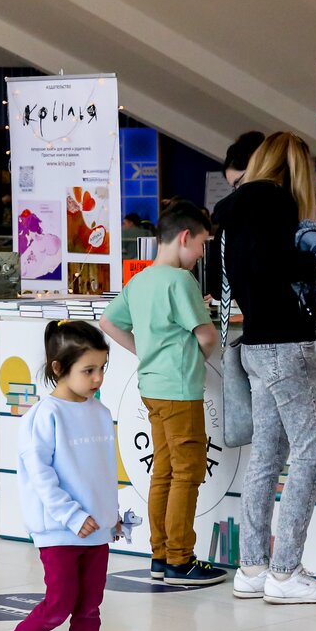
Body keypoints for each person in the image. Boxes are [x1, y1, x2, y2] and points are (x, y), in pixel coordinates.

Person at [212, 131, 316, 605]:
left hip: (254, 344)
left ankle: (252, 567)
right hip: (286, 345)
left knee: (266, 457)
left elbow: (233, 277)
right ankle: (285, 572)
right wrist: (312, 256)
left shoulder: (232, 212)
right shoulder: (278, 205)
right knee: (311, 455)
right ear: (296, 169)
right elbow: (280, 268)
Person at [101, 200, 226, 586]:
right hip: (180, 391)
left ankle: (161, 555)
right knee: (187, 473)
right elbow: (207, 337)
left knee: (164, 471)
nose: (202, 253)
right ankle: (180, 559)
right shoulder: (181, 282)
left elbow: (109, 321)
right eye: (202, 243)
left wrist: (146, 352)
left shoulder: (140, 280)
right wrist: (194, 357)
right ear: (185, 237)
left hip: (152, 388)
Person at [2, 320, 122, 631]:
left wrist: (111, 515)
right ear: (59, 368)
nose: (98, 378)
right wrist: (71, 516)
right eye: (89, 370)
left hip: (95, 531)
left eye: (102, 368)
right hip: (58, 530)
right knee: (60, 603)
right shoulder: (44, 415)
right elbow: (40, 476)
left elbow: (101, 471)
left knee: (89, 608)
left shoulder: (100, 412)